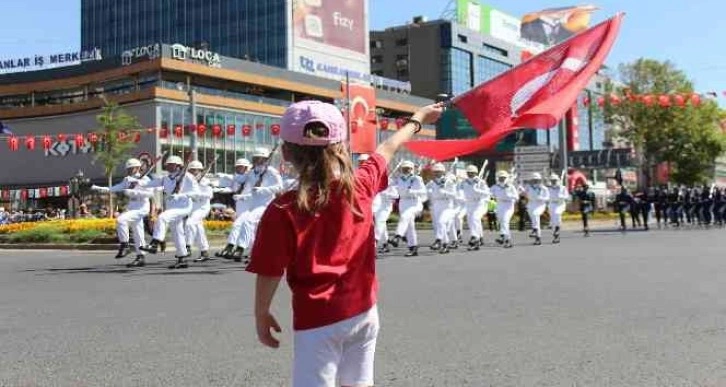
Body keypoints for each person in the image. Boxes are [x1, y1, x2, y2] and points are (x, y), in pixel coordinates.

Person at [246, 100, 443, 387]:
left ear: (286, 153)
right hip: (364, 311)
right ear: (339, 148)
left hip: (317, 319)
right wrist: (419, 118)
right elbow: (388, 147)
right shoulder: (361, 185)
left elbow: (270, 270)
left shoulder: (282, 209)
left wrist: (261, 313)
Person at [139, 155, 200, 269]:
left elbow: (196, 193)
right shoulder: (165, 178)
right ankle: (182, 259)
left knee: (162, 218)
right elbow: (147, 184)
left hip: (183, 206)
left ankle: (155, 243)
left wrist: (181, 195)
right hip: (172, 207)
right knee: (177, 233)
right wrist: (137, 180)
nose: (168, 166)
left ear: (178, 166)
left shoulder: (188, 177)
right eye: (167, 165)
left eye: (171, 164)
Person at [91, 158, 153, 266]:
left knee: (121, 220)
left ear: (138, 168)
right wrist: (98, 188)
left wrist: (134, 192)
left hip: (142, 206)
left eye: (131, 168)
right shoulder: (127, 180)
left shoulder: (145, 179)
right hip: (133, 206)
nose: (129, 170)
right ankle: (141, 257)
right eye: (128, 168)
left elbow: (150, 194)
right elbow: (114, 188)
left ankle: (125, 245)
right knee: (138, 232)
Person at [230, 147, 283, 262]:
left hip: (265, 204)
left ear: (264, 159)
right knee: (253, 229)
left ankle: (240, 248)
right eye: (255, 158)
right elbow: (241, 179)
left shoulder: (271, 171)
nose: (256, 160)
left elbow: (280, 187)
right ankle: (255, 253)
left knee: (248, 220)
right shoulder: (252, 172)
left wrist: (263, 189)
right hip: (253, 204)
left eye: (259, 158)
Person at [214, 158, 252, 259]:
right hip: (239, 205)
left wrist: (242, 196)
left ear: (246, 168)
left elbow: (254, 193)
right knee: (246, 228)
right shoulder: (236, 177)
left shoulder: (250, 178)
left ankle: (231, 247)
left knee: (238, 224)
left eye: (241, 167)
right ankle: (244, 251)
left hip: (249, 205)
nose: (239, 168)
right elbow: (232, 188)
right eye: (237, 167)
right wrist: (220, 189)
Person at [388, 160, 426, 257]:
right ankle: (413, 247)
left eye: (408, 168)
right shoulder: (399, 179)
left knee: (405, 217)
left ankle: (397, 236)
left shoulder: (417, 179)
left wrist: (412, 191)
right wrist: (388, 181)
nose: (406, 170)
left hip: (415, 203)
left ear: (412, 169)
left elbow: (423, 192)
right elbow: (391, 187)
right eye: (404, 168)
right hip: (403, 203)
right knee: (410, 226)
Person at [184, 160, 214, 262]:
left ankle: (187, 247)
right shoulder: (188, 181)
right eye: (191, 170)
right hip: (193, 207)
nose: (192, 172)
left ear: (200, 171)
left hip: (202, 207)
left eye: (195, 170)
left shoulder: (205, 181)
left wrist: (196, 194)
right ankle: (204, 252)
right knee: (199, 229)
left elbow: (210, 195)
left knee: (189, 223)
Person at [426, 163, 458, 254]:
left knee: (441, 222)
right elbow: (424, 191)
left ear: (443, 172)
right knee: (440, 225)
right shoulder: (432, 182)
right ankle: (445, 245)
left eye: (439, 171)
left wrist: (445, 193)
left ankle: (438, 239)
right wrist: (428, 192)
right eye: (435, 171)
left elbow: (454, 194)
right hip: (437, 205)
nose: (437, 173)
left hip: (447, 205)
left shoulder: (449, 181)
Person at [459, 164, 490, 250]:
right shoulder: (464, 182)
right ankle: (479, 238)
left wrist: (478, 190)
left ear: (476, 173)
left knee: (475, 218)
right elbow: (460, 191)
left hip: (480, 203)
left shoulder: (481, 182)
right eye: (469, 172)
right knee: (471, 221)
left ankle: (474, 237)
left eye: (472, 173)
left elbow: (487, 193)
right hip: (469, 203)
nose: (470, 174)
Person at [490, 170, 519, 248]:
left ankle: (507, 240)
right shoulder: (495, 187)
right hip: (499, 205)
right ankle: (502, 237)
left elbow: (516, 197)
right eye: (500, 177)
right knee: (502, 221)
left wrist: (509, 196)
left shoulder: (511, 186)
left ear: (506, 178)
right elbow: (489, 195)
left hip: (508, 206)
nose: (502, 179)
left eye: (503, 177)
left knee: (505, 220)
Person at [524, 172, 550, 245]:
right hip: (531, 204)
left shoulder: (543, 188)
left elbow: (548, 198)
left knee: (535, 215)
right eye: (534, 179)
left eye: (537, 180)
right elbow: (523, 193)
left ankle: (534, 230)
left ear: (539, 180)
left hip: (540, 205)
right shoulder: (528, 187)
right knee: (535, 221)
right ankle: (538, 238)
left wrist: (541, 198)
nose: (535, 181)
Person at [547, 173, 569, 244]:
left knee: (557, 214)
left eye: (555, 180)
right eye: (552, 180)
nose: (553, 182)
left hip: (560, 204)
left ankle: (557, 228)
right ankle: (556, 235)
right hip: (552, 204)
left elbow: (567, 197)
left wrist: (561, 196)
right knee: (553, 221)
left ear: (558, 180)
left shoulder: (562, 188)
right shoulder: (549, 188)